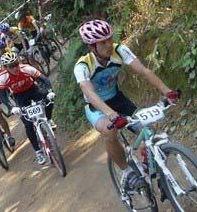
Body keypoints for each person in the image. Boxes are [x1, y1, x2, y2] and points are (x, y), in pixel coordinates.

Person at [74, 19, 179, 199]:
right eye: (103, 42)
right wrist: (110, 114)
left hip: (118, 99)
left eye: (110, 39)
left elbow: (144, 71)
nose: (109, 45)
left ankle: (153, 167)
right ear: (92, 46)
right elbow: (89, 93)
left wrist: (167, 91)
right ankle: (126, 171)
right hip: (96, 107)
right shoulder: (83, 66)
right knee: (110, 130)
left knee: (147, 130)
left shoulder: (119, 50)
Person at [0, 52, 56, 165]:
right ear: (5, 67)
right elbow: (3, 96)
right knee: (28, 124)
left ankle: (49, 119)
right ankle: (38, 151)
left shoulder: (26, 68)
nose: (14, 68)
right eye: (11, 66)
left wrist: (50, 91)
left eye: (16, 64)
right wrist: (12, 107)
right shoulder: (2, 78)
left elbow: (44, 79)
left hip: (33, 89)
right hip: (20, 97)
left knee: (49, 100)